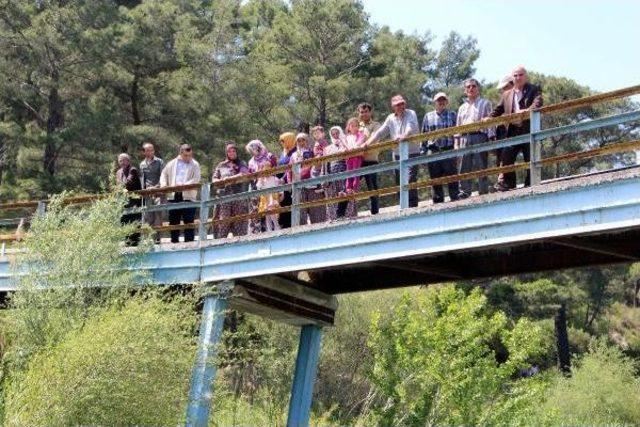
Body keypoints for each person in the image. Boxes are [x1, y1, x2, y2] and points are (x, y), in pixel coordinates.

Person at [490, 66, 543, 191]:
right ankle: (507, 184)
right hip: (512, 131)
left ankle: (531, 184)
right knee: (506, 155)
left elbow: (537, 104)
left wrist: (525, 112)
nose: (518, 78)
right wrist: (489, 118)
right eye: (515, 75)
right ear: (512, 78)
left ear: (525, 76)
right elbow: (498, 109)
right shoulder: (506, 94)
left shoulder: (534, 89)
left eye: (520, 75)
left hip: (529, 129)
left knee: (530, 157)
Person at [365, 94, 420, 208]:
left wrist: (403, 136)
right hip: (398, 154)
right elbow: (380, 132)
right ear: (393, 106)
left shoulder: (411, 113)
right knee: (399, 180)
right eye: (398, 105)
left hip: (412, 152)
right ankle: (403, 205)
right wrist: (367, 144)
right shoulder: (391, 118)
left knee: (410, 179)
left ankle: (412, 205)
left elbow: (410, 127)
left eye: (402, 104)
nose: (401, 106)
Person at [456, 78, 495, 198]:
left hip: (480, 136)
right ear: (465, 90)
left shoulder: (485, 103)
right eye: (468, 87)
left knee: (481, 165)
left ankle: (483, 191)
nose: (471, 89)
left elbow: (491, 123)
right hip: (464, 138)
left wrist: (492, 139)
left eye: (473, 86)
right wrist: (456, 144)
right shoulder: (461, 107)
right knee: (463, 167)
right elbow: (458, 126)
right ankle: (464, 192)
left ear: (478, 88)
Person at [421, 92, 460, 204]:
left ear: (446, 102)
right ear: (435, 102)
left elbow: (456, 132)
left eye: (443, 100)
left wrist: (457, 149)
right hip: (433, 150)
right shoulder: (428, 116)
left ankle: (455, 199)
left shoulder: (452, 114)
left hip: (448, 149)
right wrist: (423, 152)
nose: (441, 102)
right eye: (439, 100)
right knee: (435, 179)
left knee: (452, 177)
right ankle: (438, 201)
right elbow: (424, 134)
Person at [160, 144, 201, 243]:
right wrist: (164, 185)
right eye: (186, 155)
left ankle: (190, 243)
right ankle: (174, 242)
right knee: (174, 221)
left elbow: (196, 179)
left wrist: (184, 185)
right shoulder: (171, 163)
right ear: (180, 153)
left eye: (190, 155)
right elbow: (163, 174)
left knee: (189, 221)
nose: (188, 157)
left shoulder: (195, 164)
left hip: (188, 196)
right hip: (174, 195)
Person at [212, 142, 249, 239]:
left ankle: (240, 244)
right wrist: (220, 181)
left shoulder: (241, 163)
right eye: (229, 151)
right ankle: (219, 244)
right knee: (223, 222)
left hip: (237, 197)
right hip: (224, 198)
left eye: (233, 151)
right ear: (226, 153)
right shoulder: (221, 165)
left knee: (238, 223)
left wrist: (229, 179)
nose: (231, 153)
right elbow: (214, 179)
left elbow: (243, 174)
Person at [288, 133, 325, 225]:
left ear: (307, 141)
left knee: (317, 211)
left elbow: (319, 162)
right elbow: (289, 171)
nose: (301, 143)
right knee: (301, 213)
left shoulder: (312, 151)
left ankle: (320, 231)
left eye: (303, 140)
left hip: (312, 184)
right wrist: (290, 185)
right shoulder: (293, 155)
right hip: (299, 186)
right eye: (299, 141)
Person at [324, 126, 355, 220]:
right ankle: (335, 218)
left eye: (337, 133)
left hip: (345, 172)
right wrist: (326, 178)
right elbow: (326, 164)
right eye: (333, 134)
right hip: (333, 175)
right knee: (334, 197)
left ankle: (348, 216)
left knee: (347, 193)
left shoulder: (346, 144)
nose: (335, 136)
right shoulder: (328, 148)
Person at [246, 139, 278, 234]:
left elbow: (275, 167)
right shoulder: (251, 162)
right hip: (260, 185)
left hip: (270, 183)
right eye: (251, 149)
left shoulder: (269, 156)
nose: (253, 151)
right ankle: (268, 229)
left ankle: (276, 226)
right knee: (265, 207)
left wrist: (267, 169)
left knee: (271, 206)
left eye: (254, 148)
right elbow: (251, 175)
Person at [358, 102, 382, 215]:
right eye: (361, 112)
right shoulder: (357, 125)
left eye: (366, 111)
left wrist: (362, 146)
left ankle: (375, 212)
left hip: (371, 160)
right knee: (349, 184)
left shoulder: (376, 125)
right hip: (357, 161)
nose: (364, 114)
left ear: (370, 112)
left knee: (372, 186)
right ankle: (343, 213)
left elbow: (375, 138)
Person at [139, 142, 165, 242]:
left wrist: (156, 187)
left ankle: (158, 239)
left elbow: (163, 176)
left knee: (158, 215)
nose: (150, 152)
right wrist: (144, 190)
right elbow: (143, 179)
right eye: (148, 150)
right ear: (144, 152)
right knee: (148, 216)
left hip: (158, 192)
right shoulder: (142, 164)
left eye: (152, 150)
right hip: (148, 194)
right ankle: (149, 239)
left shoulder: (159, 162)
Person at [116, 153, 142, 246]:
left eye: (124, 160)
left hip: (134, 201)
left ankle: (135, 243)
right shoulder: (118, 172)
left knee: (134, 222)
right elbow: (117, 184)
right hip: (123, 202)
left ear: (128, 161)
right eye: (120, 160)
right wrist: (120, 189)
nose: (122, 162)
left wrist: (121, 188)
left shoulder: (133, 170)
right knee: (124, 222)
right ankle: (127, 242)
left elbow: (129, 182)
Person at [494, 75, 515, 188]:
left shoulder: (517, 96)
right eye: (503, 88)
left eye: (506, 87)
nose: (503, 90)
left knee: (508, 157)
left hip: (516, 131)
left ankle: (507, 183)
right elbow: (496, 111)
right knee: (502, 157)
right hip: (503, 131)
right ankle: (503, 183)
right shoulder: (504, 98)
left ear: (512, 84)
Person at [277, 132, 297, 229]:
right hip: (281, 184)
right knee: (283, 205)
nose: (282, 143)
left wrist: (283, 178)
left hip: (290, 181)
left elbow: (291, 167)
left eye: (284, 141)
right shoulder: (283, 152)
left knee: (290, 204)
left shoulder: (295, 151)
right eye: (281, 142)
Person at [256, 162, 282, 232]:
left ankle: (276, 226)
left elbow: (279, 188)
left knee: (272, 212)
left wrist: (281, 194)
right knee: (267, 215)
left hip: (273, 198)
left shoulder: (274, 179)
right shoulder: (262, 180)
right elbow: (258, 187)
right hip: (265, 199)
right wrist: (261, 179)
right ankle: (269, 229)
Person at [343, 117, 365, 195]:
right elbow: (344, 144)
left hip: (356, 156)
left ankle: (355, 188)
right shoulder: (346, 136)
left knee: (356, 171)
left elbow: (360, 140)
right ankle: (348, 188)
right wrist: (346, 149)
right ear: (348, 127)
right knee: (349, 172)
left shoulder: (360, 134)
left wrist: (355, 147)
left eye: (356, 126)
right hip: (349, 157)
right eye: (352, 126)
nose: (354, 128)